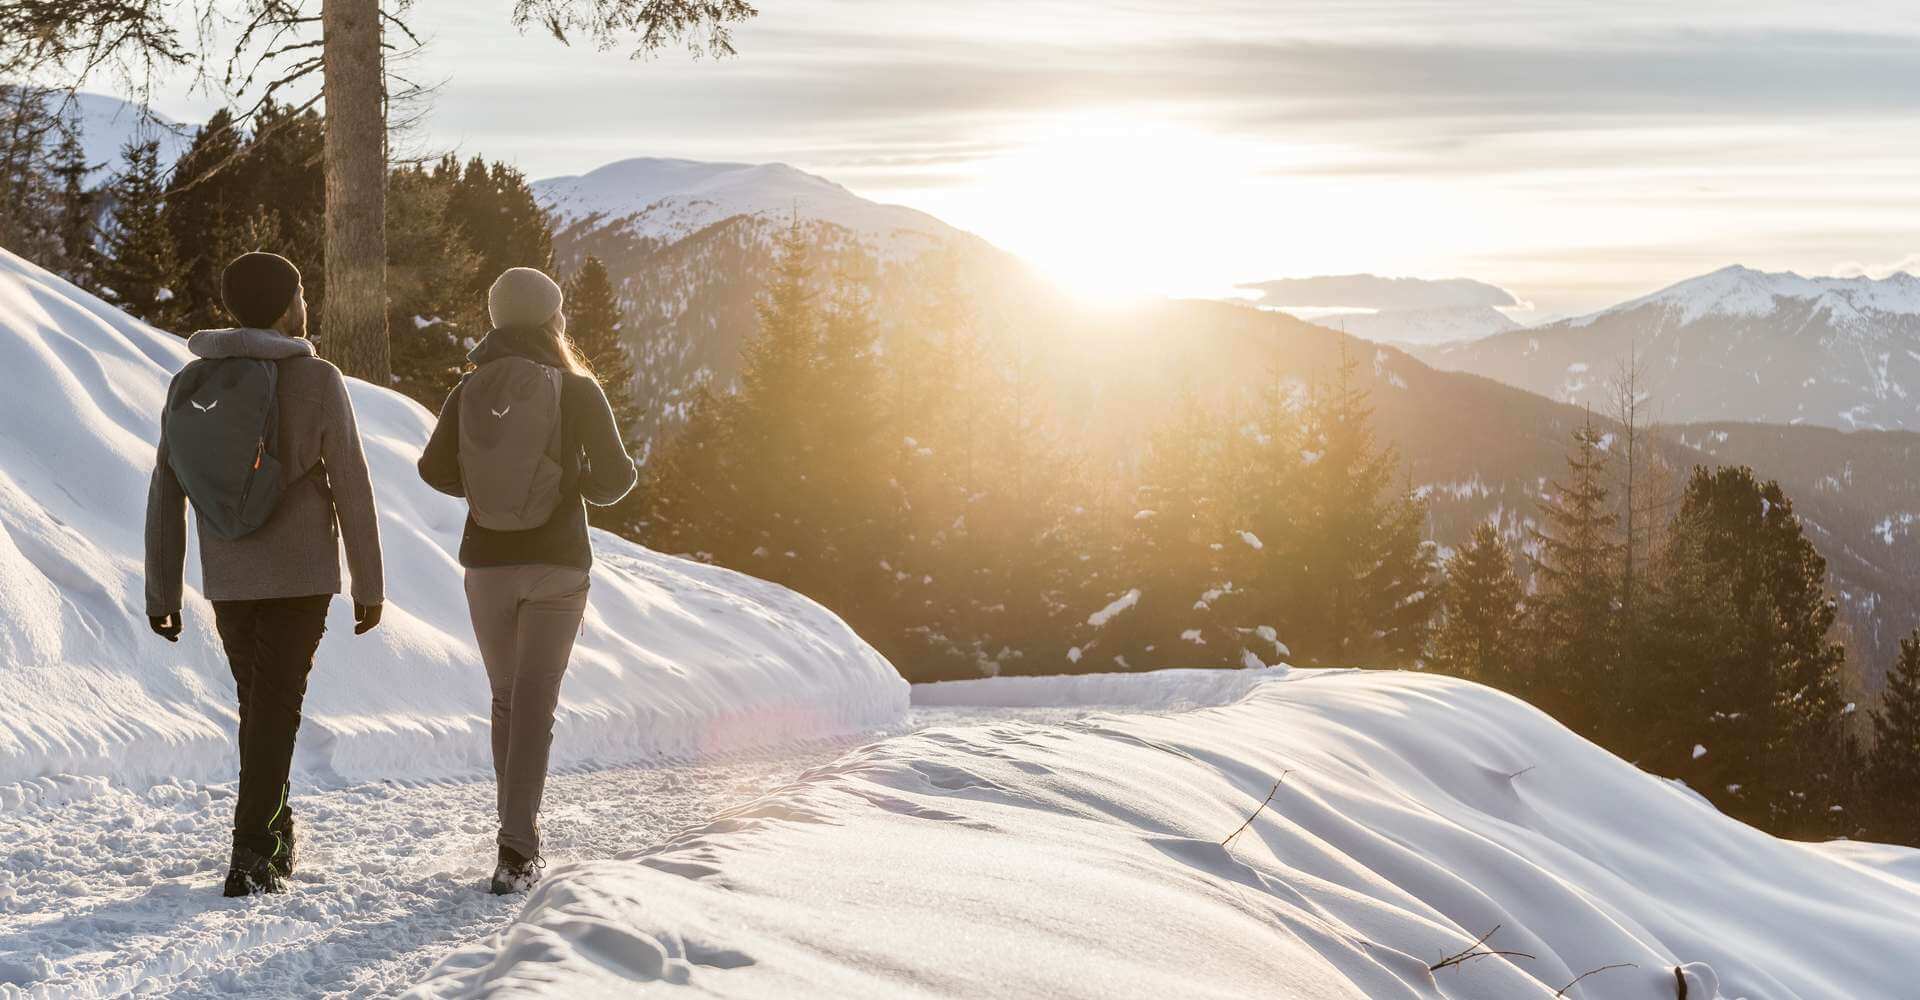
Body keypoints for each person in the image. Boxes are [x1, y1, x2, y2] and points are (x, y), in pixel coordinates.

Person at [145, 251, 385, 897]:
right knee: (274, 708)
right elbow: (353, 485)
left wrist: (162, 590)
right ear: (289, 304)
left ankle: (273, 834)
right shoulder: (317, 378)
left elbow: (166, 489)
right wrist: (369, 583)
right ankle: (252, 848)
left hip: (227, 572)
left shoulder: (193, 380)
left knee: (261, 705)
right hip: (301, 572)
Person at [417, 267, 637, 894]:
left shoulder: (468, 389)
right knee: (535, 703)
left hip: (486, 564)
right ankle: (516, 850)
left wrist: (487, 489)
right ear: (551, 319)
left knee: (508, 699)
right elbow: (617, 480)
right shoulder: (576, 389)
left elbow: (434, 469)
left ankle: (513, 835)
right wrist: (571, 485)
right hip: (558, 563)